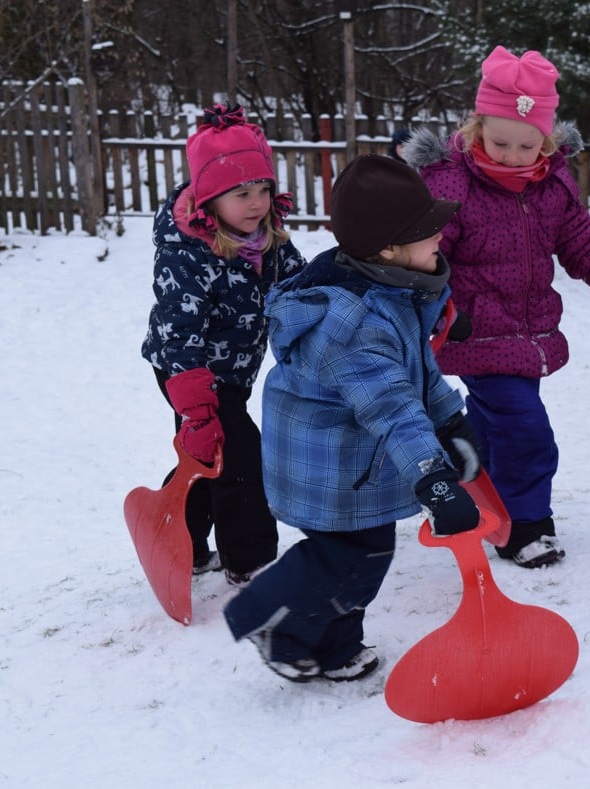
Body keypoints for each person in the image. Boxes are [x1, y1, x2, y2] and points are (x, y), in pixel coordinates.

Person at [405, 46, 590, 569]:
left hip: (527, 333)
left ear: (546, 140)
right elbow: (425, 257)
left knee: (498, 424)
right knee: (526, 427)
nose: (509, 155)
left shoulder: (551, 184)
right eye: (498, 141)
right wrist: (438, 314)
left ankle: (472, 490)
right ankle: (525, 526)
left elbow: (583, 244)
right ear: (477, 125)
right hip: (473, 332)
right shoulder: (452, 181)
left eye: (525, 145)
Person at [222, 154, 481, 682]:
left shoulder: (391, 291)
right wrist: (431, 474)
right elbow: (392, 407)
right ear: (389, 248)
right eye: (427, 231)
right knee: (345, 556)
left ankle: (335, 646)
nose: (440, 239)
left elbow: (417, 374)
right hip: (328, 461)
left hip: (355, 457)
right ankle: (269, 622)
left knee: (365, 552)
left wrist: (451, 423)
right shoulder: (353, 325)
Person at [141, 103, 306, 586]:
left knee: (207, 460)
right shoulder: (187, 256)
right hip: (186, 370)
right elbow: (178, 335)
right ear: (209, 199)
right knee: (238, 455)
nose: (255, 203)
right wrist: (197, 412)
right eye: (240, 194)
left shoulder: (267, 239)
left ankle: (179, 540)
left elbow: (299, 285)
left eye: (262, 190)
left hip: (230, 371)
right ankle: (251, 561)